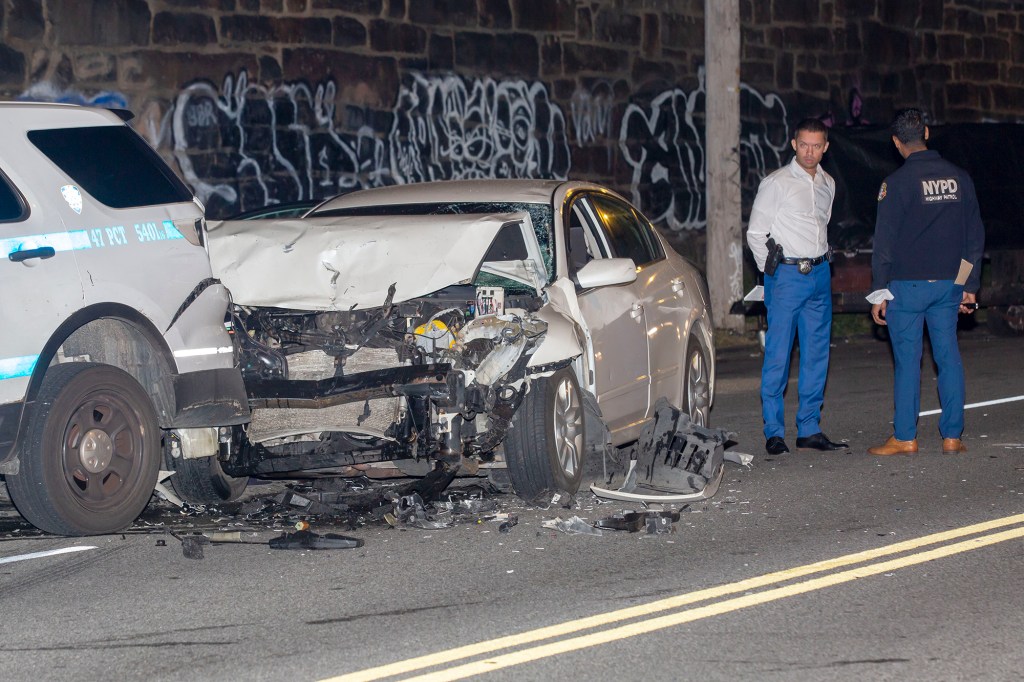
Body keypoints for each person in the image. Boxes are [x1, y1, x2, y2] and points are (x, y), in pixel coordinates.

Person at [866, 108, 984, 455]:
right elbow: (974, 238)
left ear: (896, 142)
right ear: (927, 133)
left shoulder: (896, 183)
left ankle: (905, 437)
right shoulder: (960, 178)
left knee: (908, 361)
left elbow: (884, 244)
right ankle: (952, 437)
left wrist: (879, 293)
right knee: (947, 357)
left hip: (908, 286)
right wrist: (967, 284)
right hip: (949, 284)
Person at [747, 118, 848, 455]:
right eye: (804, 144)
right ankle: (774, 431)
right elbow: (755, 233)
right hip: (787, 275)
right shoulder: (776, 183)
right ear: (793, 144)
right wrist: (771, 273)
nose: (809, 151)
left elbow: (822, 227)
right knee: (778, 354)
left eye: (816, 145)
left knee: (817, 354)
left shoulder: (828, 183)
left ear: (826, 147)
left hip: (820, 273)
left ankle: (809, 428)